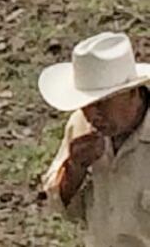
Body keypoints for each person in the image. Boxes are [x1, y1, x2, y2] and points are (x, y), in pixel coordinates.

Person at [40, 32, 150, 247]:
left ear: (132, 93)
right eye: (85, 104)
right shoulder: (80, 125)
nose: (92, 115)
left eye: (102, 103)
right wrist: (74, 168)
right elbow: (60, 204)